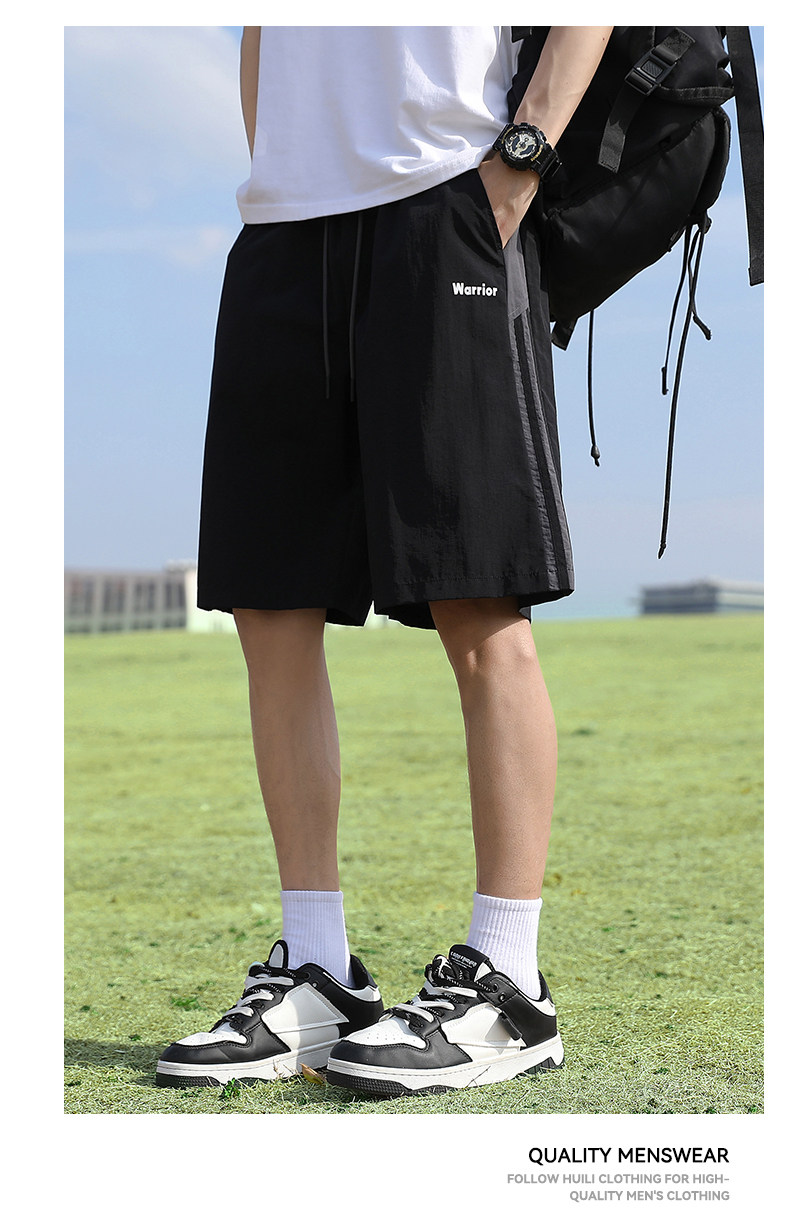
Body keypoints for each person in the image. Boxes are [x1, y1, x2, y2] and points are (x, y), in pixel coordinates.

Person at [156, 24, 613, 1098]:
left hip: (449, 198)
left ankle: (509, 981)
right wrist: (286, 168)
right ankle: (316, 969)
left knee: (478, 597)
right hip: (284, 227)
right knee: (270, 602)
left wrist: (519, 162)